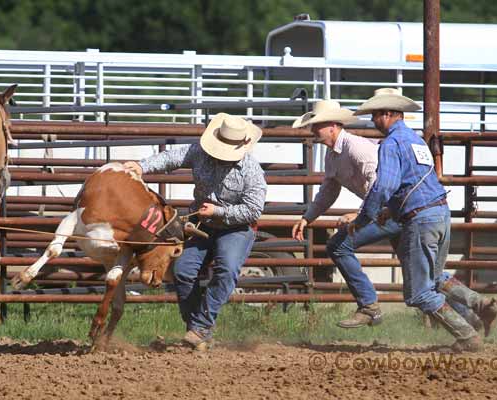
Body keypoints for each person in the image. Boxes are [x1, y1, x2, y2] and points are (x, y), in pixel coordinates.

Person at [350, 88, 497, 351]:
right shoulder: (415, 140)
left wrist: (366, 217)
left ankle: (467, 336)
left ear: (388, 113)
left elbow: (385, 186)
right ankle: (481, 305)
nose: (373, 121)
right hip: (439, 212)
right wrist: (392, 210)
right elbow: (412, 182)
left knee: (419, 293)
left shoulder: (391, 144)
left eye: (375, 115)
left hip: (421, 220)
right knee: (437, 276)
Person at [124, 113, 266, 351]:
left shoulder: (251, 171)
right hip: (202, 224)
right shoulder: (200, 152)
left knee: (227, 269)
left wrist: (218, 212)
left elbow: (253, 211)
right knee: (182, 271)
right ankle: (197, 329)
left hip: (236, 229)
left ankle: (200, 326)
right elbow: (172, 157)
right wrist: (142, 166)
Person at [291, 100, 401, 328]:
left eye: (317, 125)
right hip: (392, 211)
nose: (313, 130)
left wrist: (359, 214)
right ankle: (475, 306)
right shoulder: (333, 155)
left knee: (338, 245)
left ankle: (368, 306)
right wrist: (308, 217)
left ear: (333, 126)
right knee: (418, 271)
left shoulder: (355, 147)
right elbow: (329, 190)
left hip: (390, 209)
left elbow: (378, 183)